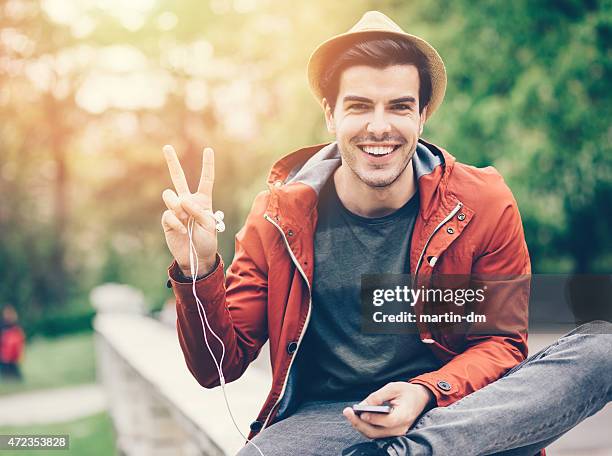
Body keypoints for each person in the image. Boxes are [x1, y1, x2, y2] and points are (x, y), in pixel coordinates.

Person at [160, 11, 612, 456]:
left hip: (459, 413)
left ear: (423, 115)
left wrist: (424, 393)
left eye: (399, 106)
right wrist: (196, 269)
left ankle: (409, 453)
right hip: (330, 421)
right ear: (330, 115)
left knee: (601, 353)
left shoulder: (481, 202)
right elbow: (218, 367)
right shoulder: (277, 217)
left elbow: (499, 344)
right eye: (359, 106)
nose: (379, 126)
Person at [0, 304, 25, 381]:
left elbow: (20, 342)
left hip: (14, 358)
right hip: (4, 357)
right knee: (6, 376)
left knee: (17, 377)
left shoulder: (16, 327)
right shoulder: (2, 327)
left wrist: (20, 355)